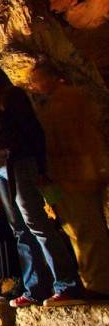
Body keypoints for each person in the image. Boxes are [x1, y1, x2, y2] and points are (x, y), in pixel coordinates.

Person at [0, 65, 82, 307]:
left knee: (35, 222)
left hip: (19, 163)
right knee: (19, 228)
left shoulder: (12, 96)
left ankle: (66, 283)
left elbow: (33, 131)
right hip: (0, 168)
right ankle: (36, 287)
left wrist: (41, 167)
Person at [30, 62, 109, 299]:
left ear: (53, 78)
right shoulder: (55, 103)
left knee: (88, 229)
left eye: (38, 80)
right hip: (64, 177)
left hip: (77, 175)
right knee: (74, 229)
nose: (35, 86)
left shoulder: (68, 100)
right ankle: (90, 278)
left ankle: (100, 283)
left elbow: (69, 139)